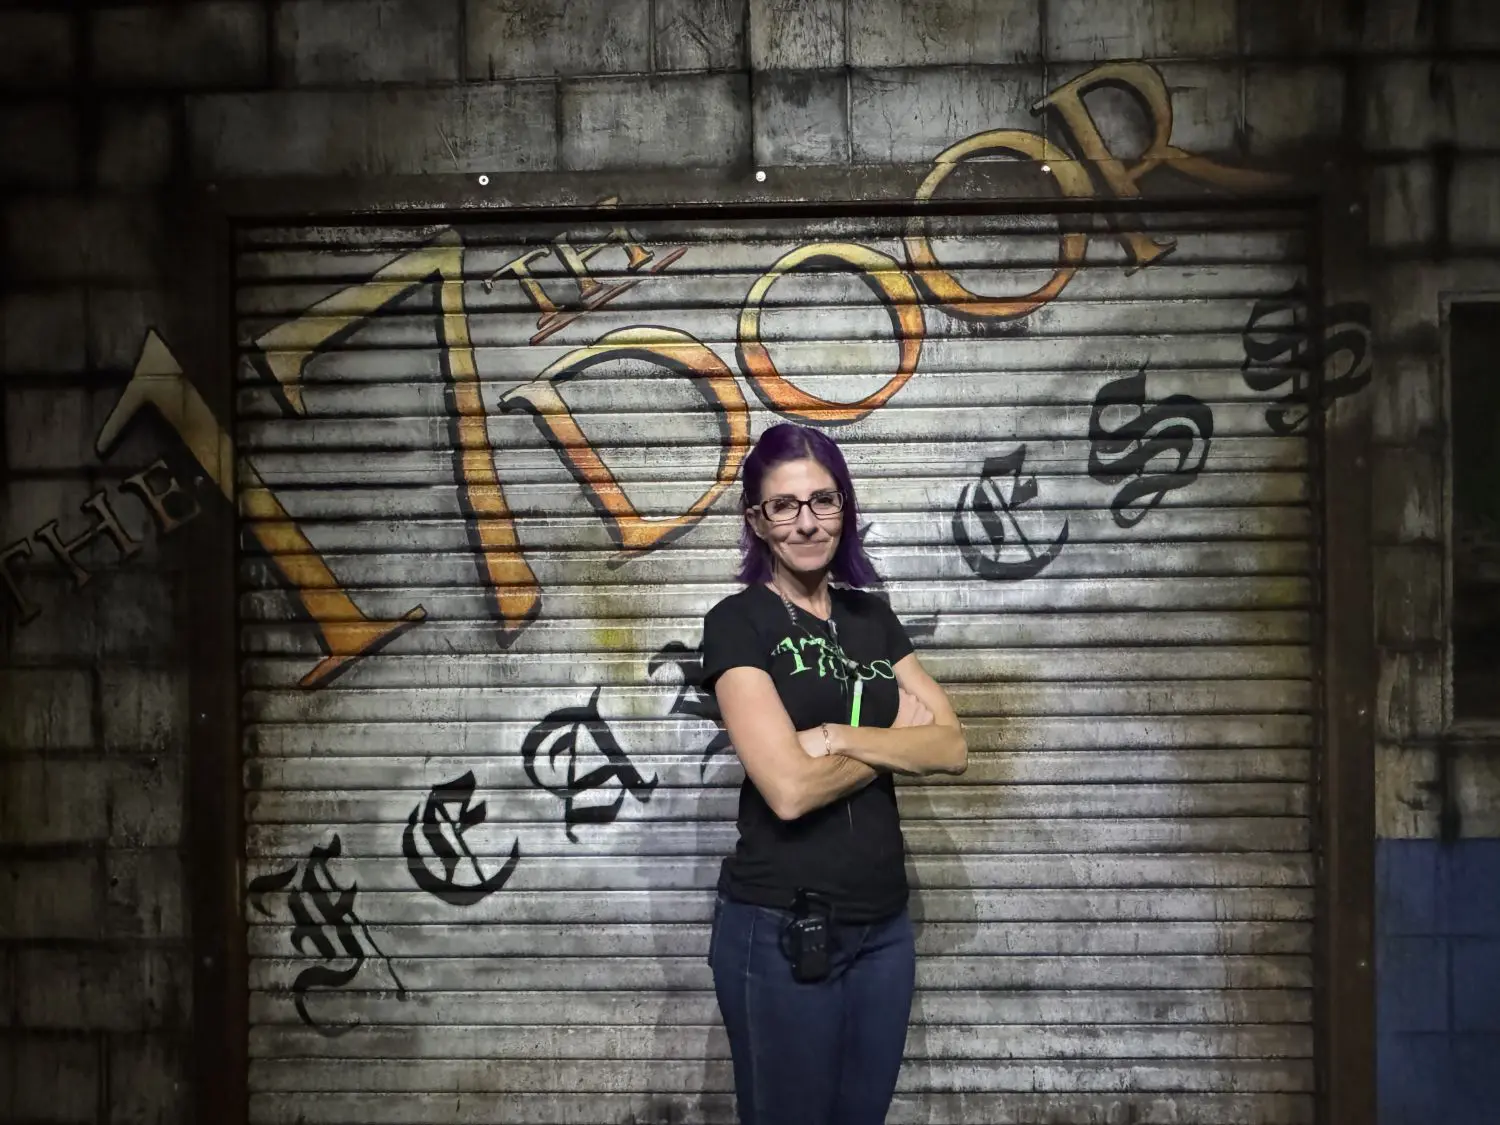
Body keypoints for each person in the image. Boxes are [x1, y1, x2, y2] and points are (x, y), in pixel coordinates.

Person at [699, 422, 968, 1125]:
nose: (806, 521)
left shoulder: (871, 616)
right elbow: (788, 791)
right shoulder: (738, 623)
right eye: (784, 505)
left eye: (823, 500)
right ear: (757, 520)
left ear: (844, 507)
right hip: (783, 927)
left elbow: (950, 747)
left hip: (884, 929)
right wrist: (894, 740)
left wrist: (838, 737)